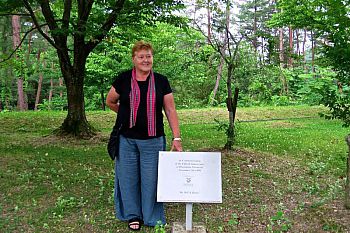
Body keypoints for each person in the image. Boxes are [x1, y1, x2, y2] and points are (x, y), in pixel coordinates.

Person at [106, 40, 182, 231]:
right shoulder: (123, 79)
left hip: (153, 140)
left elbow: (170, 110)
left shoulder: (162, 81)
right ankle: (133, 215)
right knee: (128, 178)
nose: (145, 60)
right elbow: (110, 101)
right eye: (141, 56)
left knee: (152, 180)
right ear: (134, 59)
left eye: (148, 56)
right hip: (127, 139)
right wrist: (126, 114)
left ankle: (151, 216)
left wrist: (177, 137)